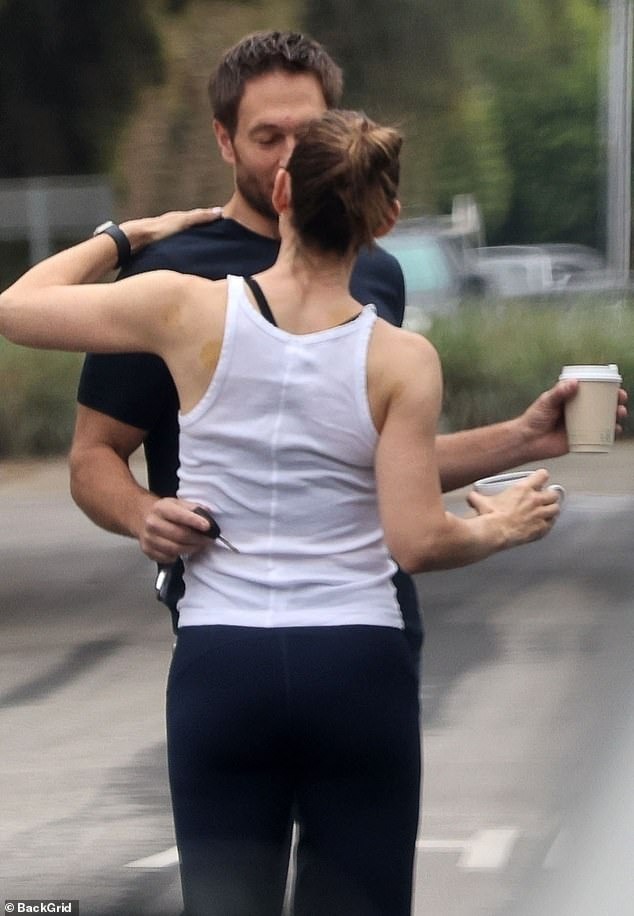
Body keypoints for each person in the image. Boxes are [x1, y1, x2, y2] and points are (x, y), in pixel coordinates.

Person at [0, 108, 561, 916]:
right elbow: (416, 540)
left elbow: (17, 307)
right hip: (357, 663)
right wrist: (500, 525)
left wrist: (129, 237)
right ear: (387, 222)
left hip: (223, 664)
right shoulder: (402, 360)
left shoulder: (185, 309)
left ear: (285, 191)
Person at [67, 30, 625, 649]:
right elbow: (93, 456)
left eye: (307, 135)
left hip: (367, 620)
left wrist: (525, 437)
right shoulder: (171, 274)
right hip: (227, 626)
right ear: (224, 139)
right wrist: (143, 513)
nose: (290, 159)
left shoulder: (375, 271)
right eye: (267, 138)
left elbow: (377, 464)